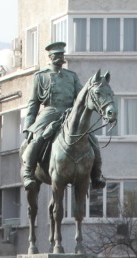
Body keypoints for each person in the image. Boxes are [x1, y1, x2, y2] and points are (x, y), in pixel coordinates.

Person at [20, 41, 105, 191]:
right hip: (50, 112)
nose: (61, 58)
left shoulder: (71, 76)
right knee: (38, 138)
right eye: (58, 55)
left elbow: (81, 97)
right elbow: (33, 103)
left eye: (62, 55)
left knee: (92, 140)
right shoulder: (41, 76)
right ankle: (28, 173)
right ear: (51, 57)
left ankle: (96, 175)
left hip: (69, 114)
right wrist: (28, 127)